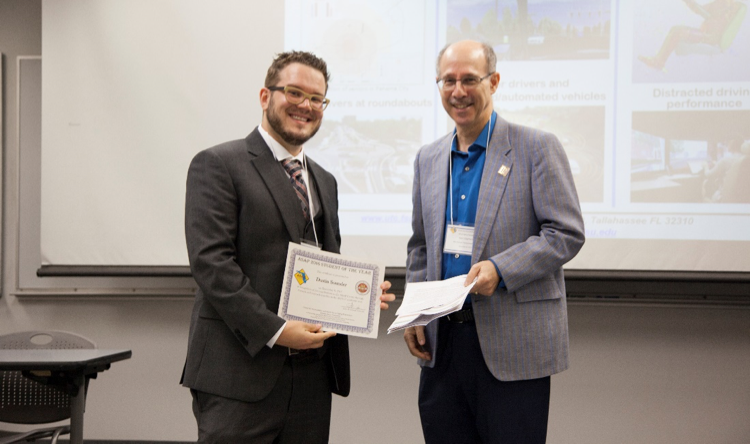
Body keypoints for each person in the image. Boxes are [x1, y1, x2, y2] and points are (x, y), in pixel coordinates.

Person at [181, 50, 395, 443]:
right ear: (266, 96)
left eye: (317, 99)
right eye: (294, 93)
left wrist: (359, 294)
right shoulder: (218, 164)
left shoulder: (324, 180)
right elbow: (212, 264)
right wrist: (277, 331)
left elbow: (320, 264)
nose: (306, 106)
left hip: (312, 377)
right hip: (239, 374)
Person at [403, 40, 585, 444]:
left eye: (469, 79)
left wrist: (501, 270)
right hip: (443, 345)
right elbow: (420, 246)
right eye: (448, 80)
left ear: (494, 81)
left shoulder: (536, 147)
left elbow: (566, 232)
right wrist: (416, 312)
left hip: (511, 346)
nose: (458, 91)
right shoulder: (428, 158)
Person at [639, 0, 739, 71]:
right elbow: (701, 10)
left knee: (678, 32)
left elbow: (715, 20)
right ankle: (659, 60)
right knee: (675, 29)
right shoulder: (718, 2)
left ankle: (659, 62)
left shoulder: (730, 6)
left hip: (710, 37)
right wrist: (690, 3)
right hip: (706, 33)